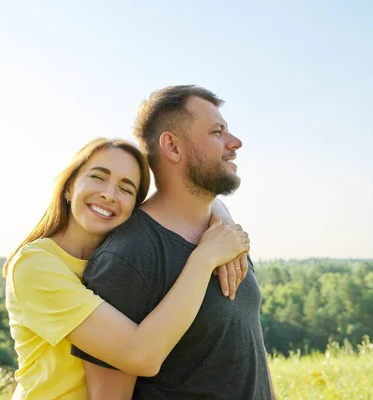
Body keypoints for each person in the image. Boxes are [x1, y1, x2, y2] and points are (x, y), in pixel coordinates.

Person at [3, 137, 252, 399]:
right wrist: (205, 258)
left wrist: (222, 220)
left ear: (135, 206)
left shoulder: (122, 261)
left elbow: (200, 201)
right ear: (68, 187)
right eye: (98, 177)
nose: (109, 195)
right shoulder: (35, 265)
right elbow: (141, 356)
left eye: (126, 188)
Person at [72, 86, 276, 399]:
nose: (235, 143)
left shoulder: (226, 235)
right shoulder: (128, 257)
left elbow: (252, 355)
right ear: (172, 146)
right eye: (217, 132)